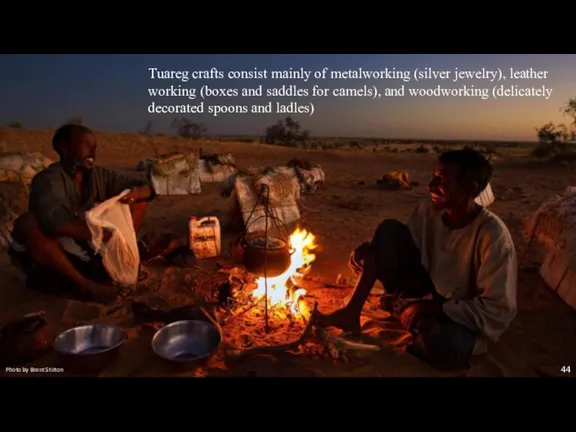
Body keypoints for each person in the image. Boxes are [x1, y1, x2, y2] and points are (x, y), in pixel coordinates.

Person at [317, 148, 517, 370]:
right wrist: (371, 251)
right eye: (433, 176)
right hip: (425, 293)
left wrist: (433, 309)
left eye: (440, 180)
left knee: (442, 346)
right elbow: (403, 249)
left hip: (458, 314)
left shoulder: (493, 236)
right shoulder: (429, 212)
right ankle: (352, 312)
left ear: (469, 188)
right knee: (389, 229)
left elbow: (497, 310)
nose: (430, 186)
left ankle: (409, 314)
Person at [9, 124, 156, 304]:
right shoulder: (48, 179)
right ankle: (86, 286)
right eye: (86, 146)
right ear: (65, 148)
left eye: (94, 148)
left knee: (139, 200)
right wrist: (102, 233)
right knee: (28, 223)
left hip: (86, 244)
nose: (92, 152)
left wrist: (138, 193)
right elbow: (56, 223)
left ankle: (123, 258)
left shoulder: (98, 175)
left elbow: (146, 187)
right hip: (56, 251)